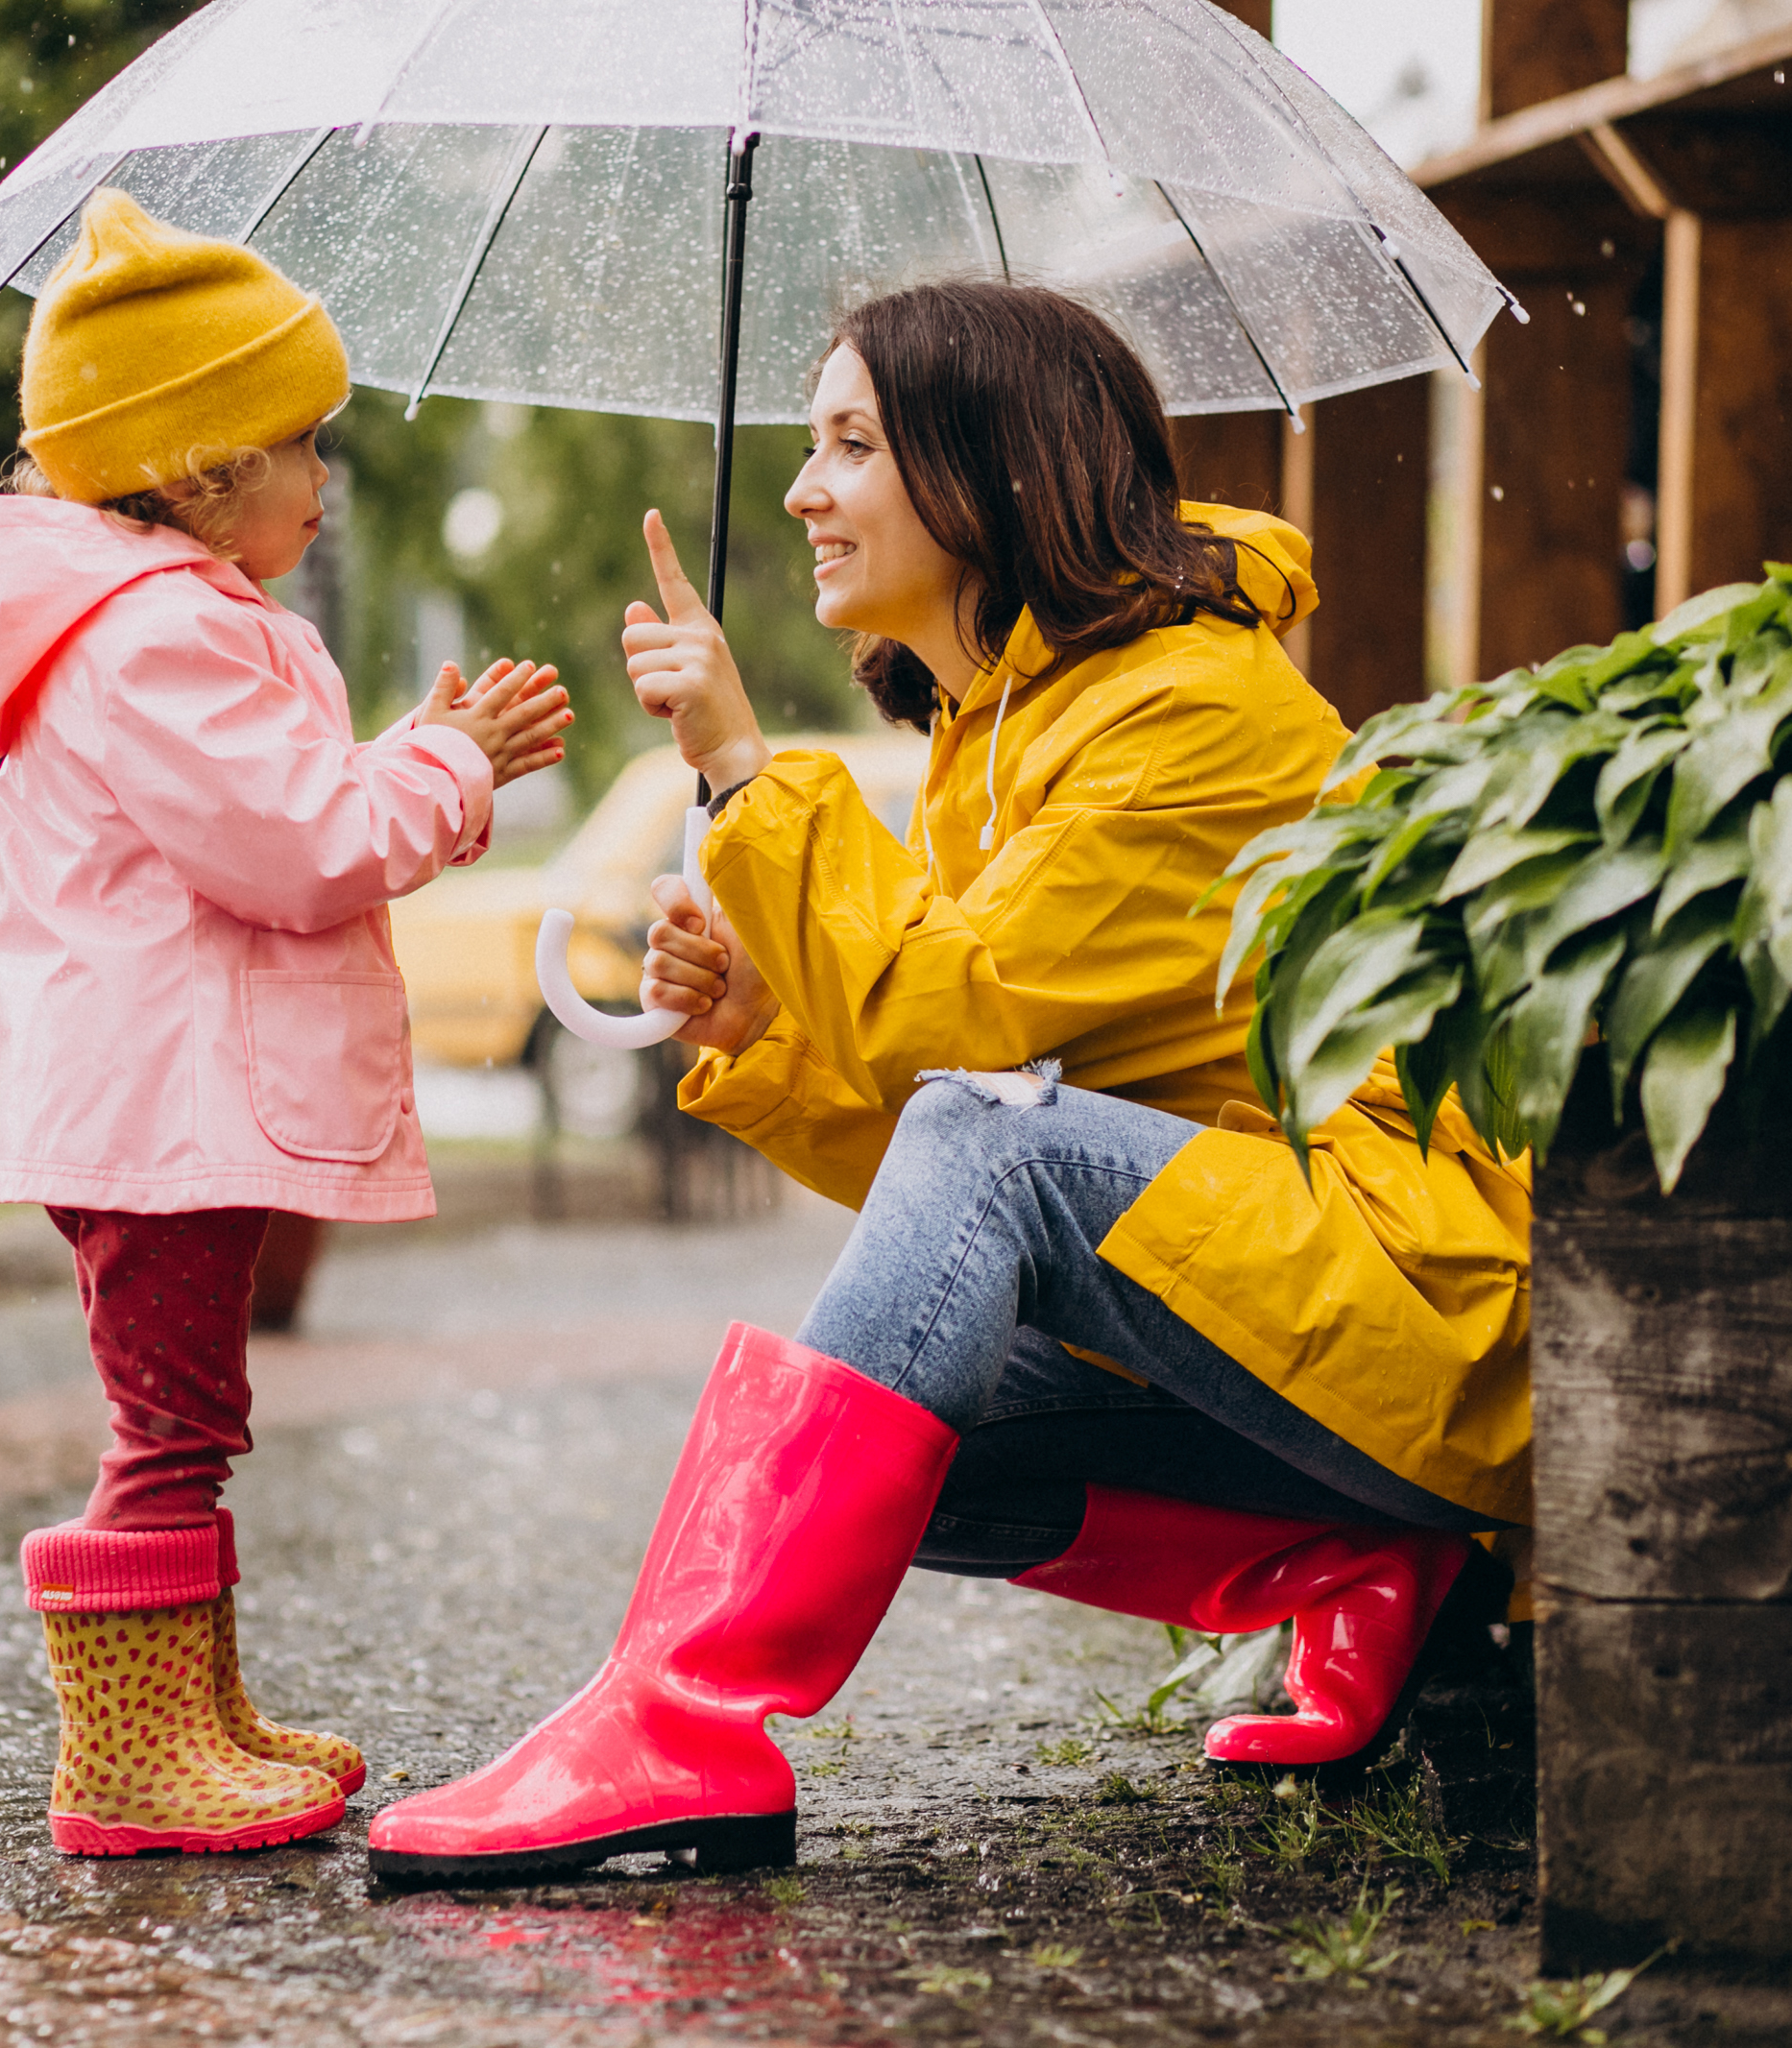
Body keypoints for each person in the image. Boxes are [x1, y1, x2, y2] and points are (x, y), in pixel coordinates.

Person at [366, 279, 1527, 1887]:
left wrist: (745, 777)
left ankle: (681, 1716)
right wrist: (764, 1042)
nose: (800, 491)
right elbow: (954, 1150)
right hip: (1287, 1312)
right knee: (915, 1433)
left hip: (1417, 1293)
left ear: (989, 471)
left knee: (969, 1208)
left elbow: (957, 1046)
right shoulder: (1013, 724)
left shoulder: (1188, 710)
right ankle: (1357, 1556)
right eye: (808, 444)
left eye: (850, 444)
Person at [0, 190, 570, 1859]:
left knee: (191, 1417)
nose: (325, 475)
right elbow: (301, 848)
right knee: (172, 1428)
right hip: (163, 1104)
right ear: (204, 469)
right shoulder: (154, 636)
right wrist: (458, 765)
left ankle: (191, 1714)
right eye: (303, 443)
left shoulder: (166, 624)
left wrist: (412, 747)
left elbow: (280, 811)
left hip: (169, 1092)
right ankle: (126, 1762)